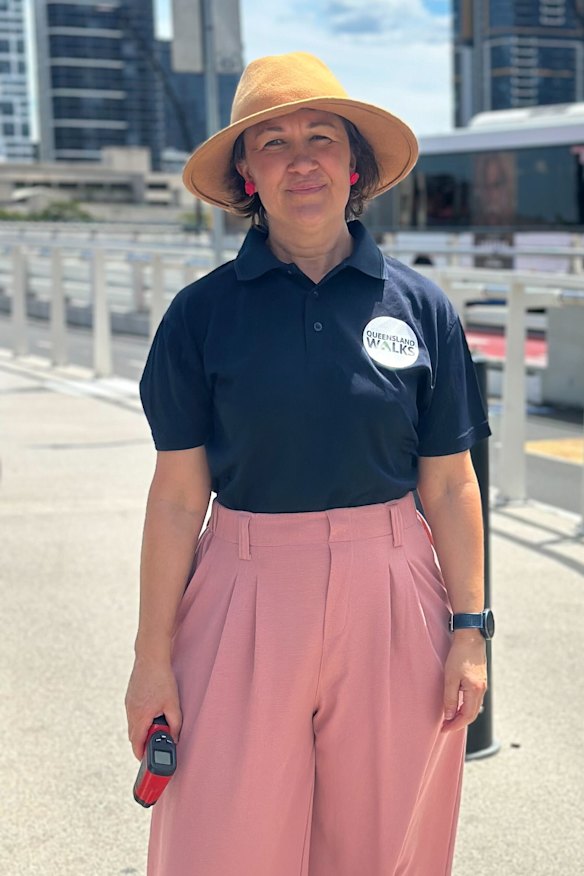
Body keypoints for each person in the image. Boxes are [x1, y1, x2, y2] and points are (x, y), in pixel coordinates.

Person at [125, 51, 493, 876]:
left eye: (321, 137)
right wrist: (152, 659)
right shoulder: (201, 317)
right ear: (247, 174)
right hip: (243, 586)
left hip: (394, 590)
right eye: (273, 142)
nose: (301, 158)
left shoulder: (422, 307)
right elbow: (180, 500)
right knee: (222, 843)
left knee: (383, 841)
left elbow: (450, 482)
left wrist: (470, 629)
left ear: (353, 163)